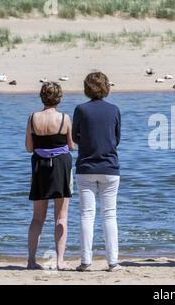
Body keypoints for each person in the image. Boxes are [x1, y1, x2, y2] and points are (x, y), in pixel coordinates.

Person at [72, 72, 122, 272]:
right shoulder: (114, 109)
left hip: (85, 167)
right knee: (109, 215)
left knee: (86, 215)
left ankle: (85, 261)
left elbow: (75, 137)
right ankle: (113, 262)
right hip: (110, 167)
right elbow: (116, 138)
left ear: (86, 89)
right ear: (106, 88)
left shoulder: (80, 109)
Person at [25, 82, 74, 271]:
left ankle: (31, 260)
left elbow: (29, 148)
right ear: (59, 98)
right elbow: (71, 146)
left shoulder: (32, 118)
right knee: (61, 217)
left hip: (39, 166)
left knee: (37, 217)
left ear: (42, 97)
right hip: (61, 166)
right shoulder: (64, 118)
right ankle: (60, 261)